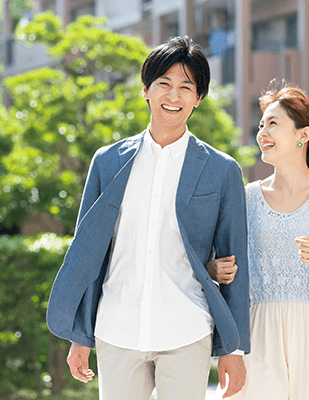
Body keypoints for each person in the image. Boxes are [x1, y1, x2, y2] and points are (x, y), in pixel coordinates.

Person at [46, 36, 250, 400]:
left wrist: (233, 350)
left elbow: (237, 261)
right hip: (117, 329)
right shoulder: (107, 162)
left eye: (186, 88)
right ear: (146, 89)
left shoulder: (222, 170)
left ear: (198, 98)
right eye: (164, 85)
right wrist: (81, 336)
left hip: (187, 329)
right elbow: (90, 254)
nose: (174, 97)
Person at [209, 83, 309, 399]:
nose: (262, 133)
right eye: (260, 125)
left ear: (304, 134)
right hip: (259, 331)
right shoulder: (248, 197)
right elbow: (226, 263)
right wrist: (215, 269)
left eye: (273, 123)